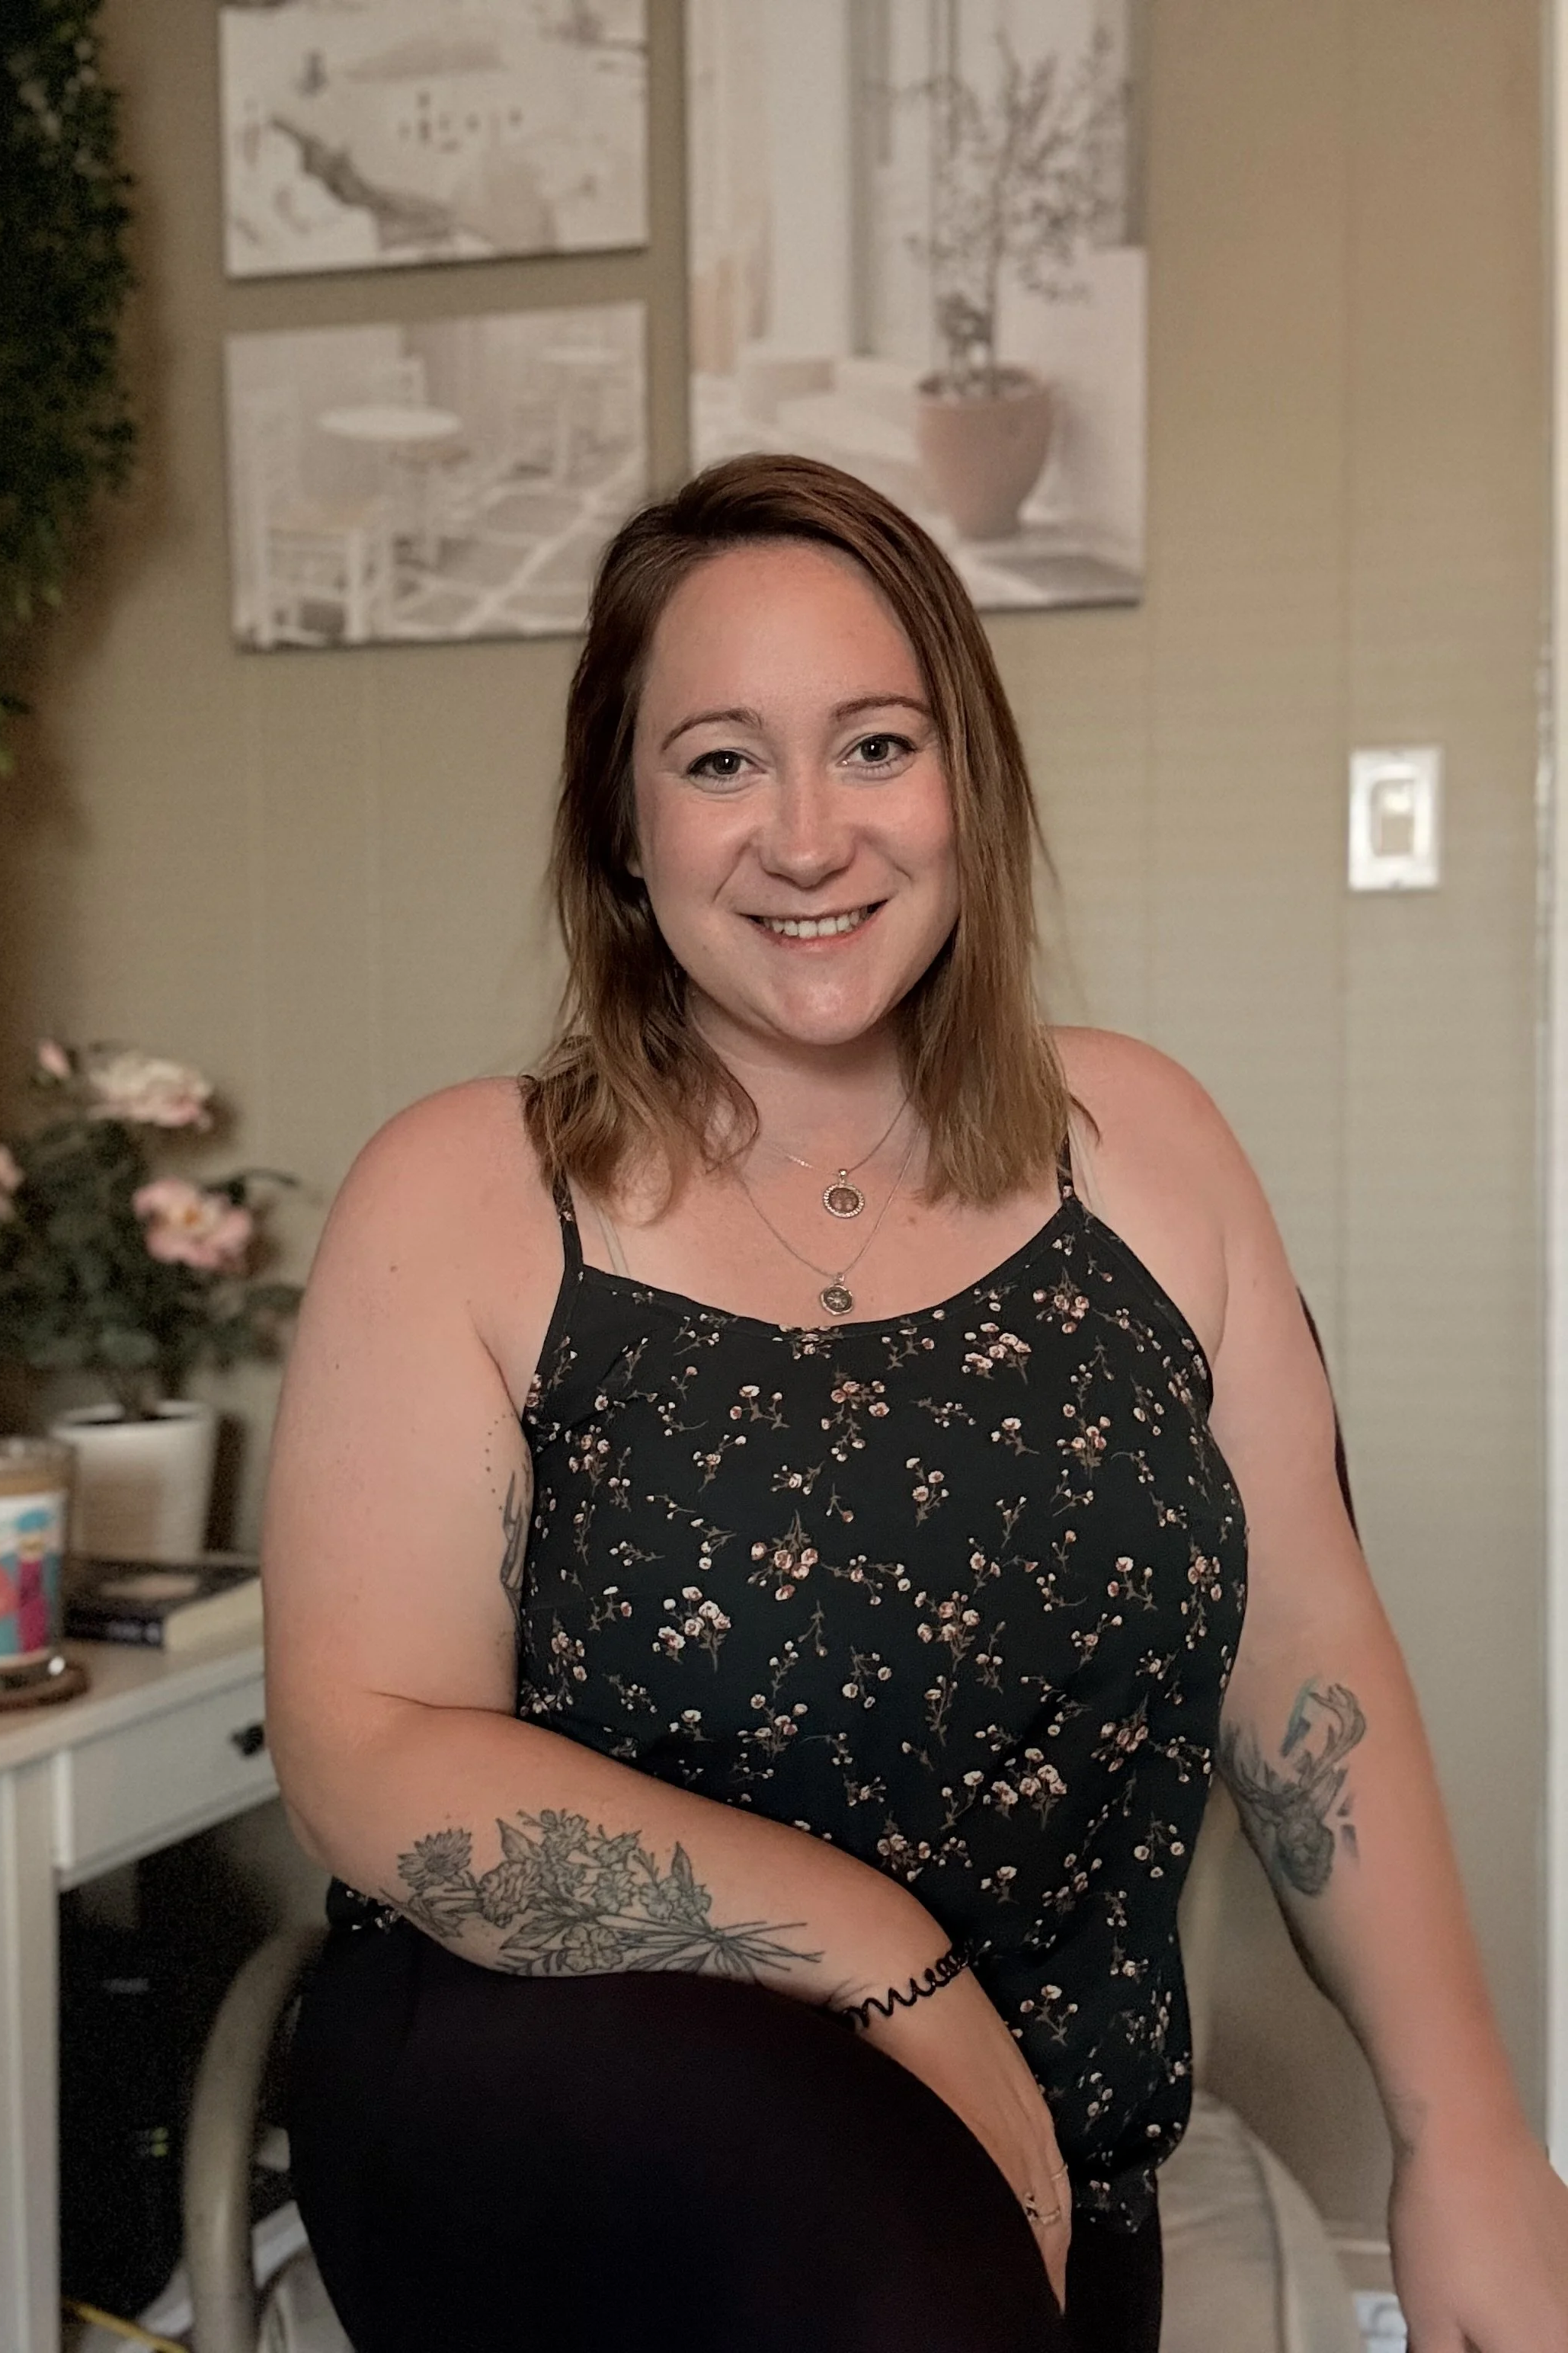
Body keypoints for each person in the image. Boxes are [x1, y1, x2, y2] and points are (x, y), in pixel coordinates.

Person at [267, 453, 1568, 2353]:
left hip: (1029, 2170)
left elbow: (1304, 1647)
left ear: (968, 784)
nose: (808, 836)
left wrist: (1470, 2140)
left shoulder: (1150, 1152)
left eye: (874, 746)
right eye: (720, 761)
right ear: (623, 828)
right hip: (542, 2097)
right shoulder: (465, 1192)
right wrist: (892, 1961)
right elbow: (369, 1745)